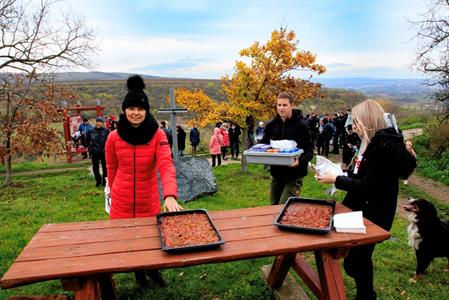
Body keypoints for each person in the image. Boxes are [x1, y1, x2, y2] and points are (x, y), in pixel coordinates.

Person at [316, 99, 416, 300]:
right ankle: (366, 294)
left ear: (368, 121)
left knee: (356, 260)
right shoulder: (372, 143)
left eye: (357, 122)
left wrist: (336, 179)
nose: (354, 127)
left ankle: (366, 295)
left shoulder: (381, 149)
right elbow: (364, 178)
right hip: (364, 209)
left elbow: (369, 188)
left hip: (374, 214)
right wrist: (341, 174)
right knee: (356, 259)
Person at [105, 75, 183, 288]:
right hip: (121, 201)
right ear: (124, 110)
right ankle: (138, 274)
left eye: (140, 109)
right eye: (131, 108)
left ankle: (153, 271)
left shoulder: (157, 135)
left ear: (146, 111)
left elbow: (166, 165)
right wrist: (112, 190)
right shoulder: (113, 137)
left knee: (151, 241)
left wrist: (169, 194)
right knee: (128, 242)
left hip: (147, 201)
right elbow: (111, 167)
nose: (136, 113)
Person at [260, 92, 314, 205]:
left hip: (295, 175)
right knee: (273, 205)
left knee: (284, 207)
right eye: (279, 105)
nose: (281, 108)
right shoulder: (271, 125)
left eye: (284, 105)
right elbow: (264, 144)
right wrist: (257, 150)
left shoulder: (302, 126)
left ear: (292, 105)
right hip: (277, 173)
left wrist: (300, 161)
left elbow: (309, 150)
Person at [86, 117, 109, 187]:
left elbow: (109, 141)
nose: (99, 123)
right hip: (94, 152)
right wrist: (91, 149)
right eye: (98, 122)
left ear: (102, 123)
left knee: (105, 167)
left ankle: (105, 182)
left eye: (101, 122)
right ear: (96, 122)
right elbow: (87, 141)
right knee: (95, 168)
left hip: (103, 152)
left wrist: (106, 149)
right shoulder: (90, 131)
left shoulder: (106, 131)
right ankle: (98, 181)